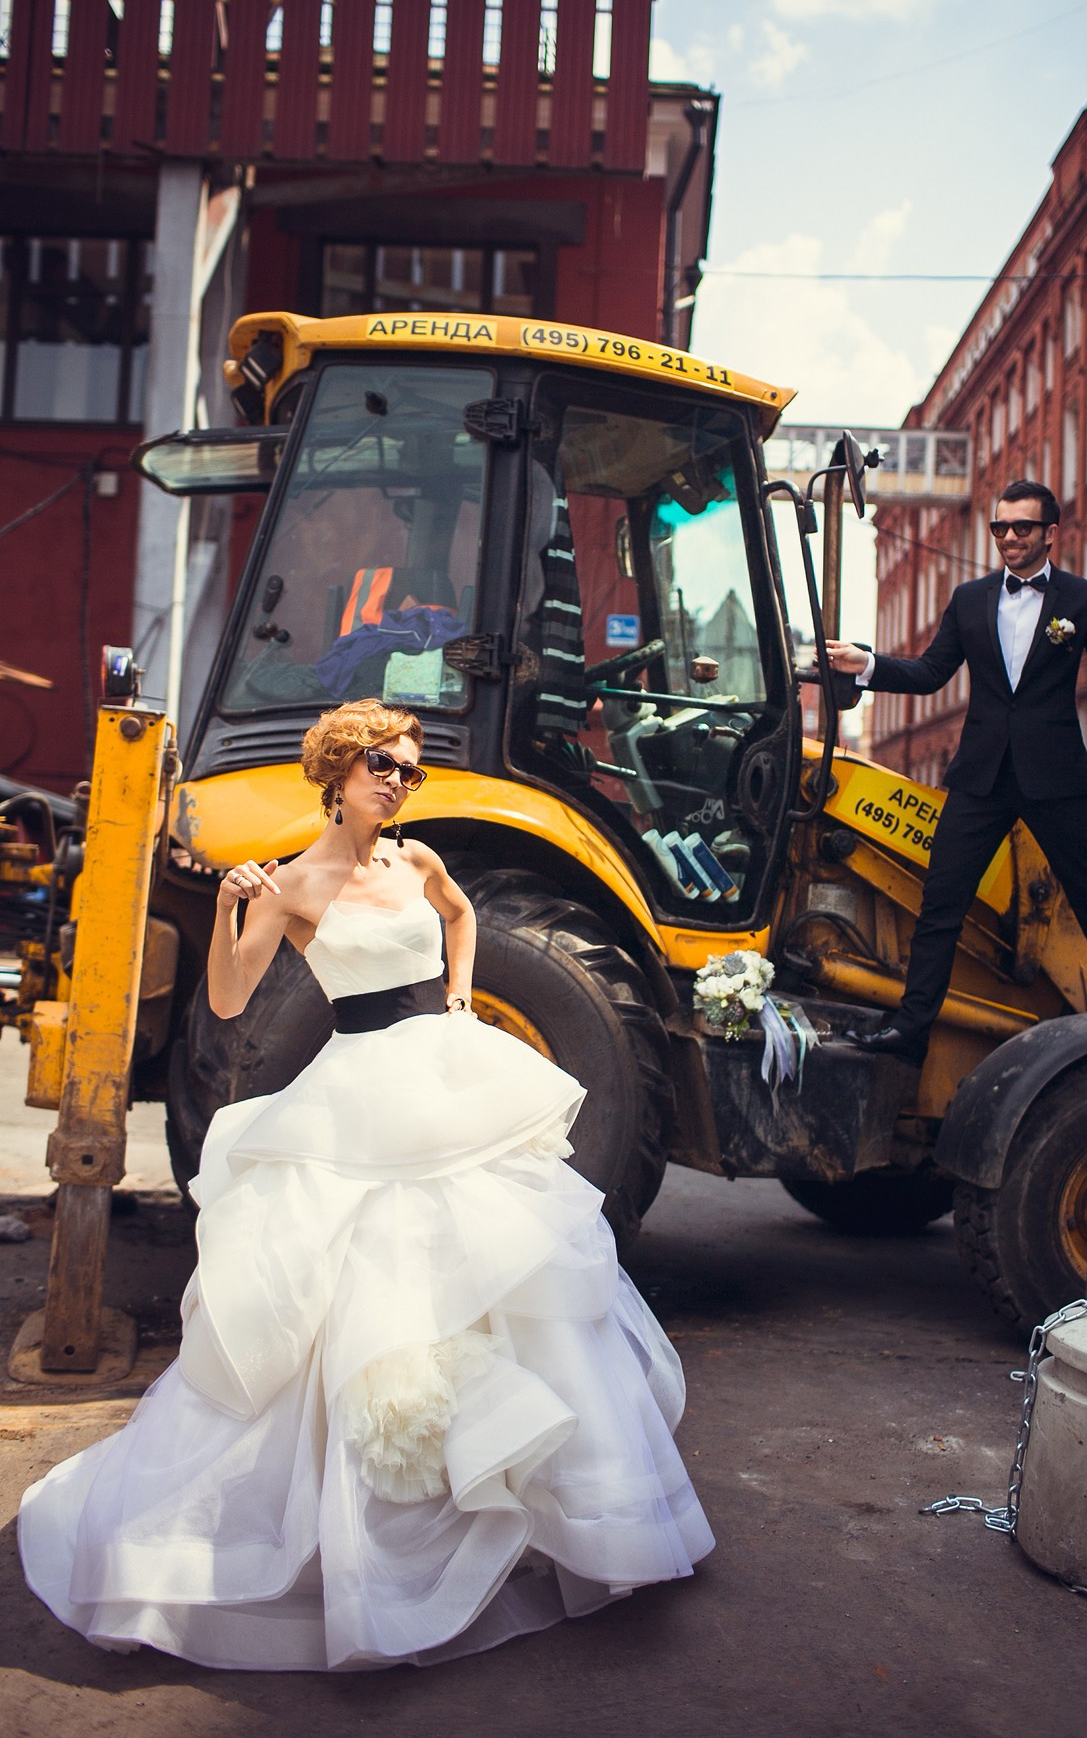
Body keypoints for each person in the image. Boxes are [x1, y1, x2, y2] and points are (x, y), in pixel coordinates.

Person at [19, 698, 712, 1671]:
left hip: (444, 1072)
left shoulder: (420, 861)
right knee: (368, 1299)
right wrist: (229, 908)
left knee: (502, 1274)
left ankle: (526, 1500)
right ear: (336, 776)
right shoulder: (295, 883)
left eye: (408, 768)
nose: (397, 781)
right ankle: (369, 1532)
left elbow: (461, 916)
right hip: (360, 1088)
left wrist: (463, 998)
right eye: (382, 766)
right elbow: (225, 995)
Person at [828, 479, 1087, 1068]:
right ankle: (912, 1029)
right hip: (981, 775)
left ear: (1050, 534)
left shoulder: (1082, 600)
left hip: (1055, 777)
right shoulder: (970, 598)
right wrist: (867, 663)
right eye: (999, 527)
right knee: (941, 904)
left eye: (1021, 528)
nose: (1007, 538)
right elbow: (930, 673)